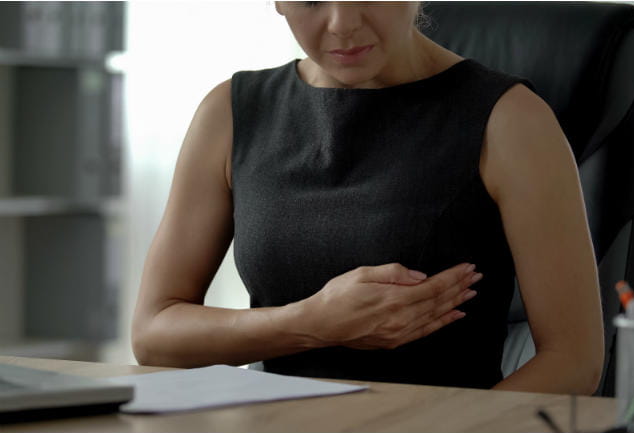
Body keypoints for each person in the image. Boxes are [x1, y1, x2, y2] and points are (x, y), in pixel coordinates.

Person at [131, 1, 604, 395]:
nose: (343, 23)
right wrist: (312, 323)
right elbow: (154, 335)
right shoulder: (229, 114)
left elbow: (574, 362)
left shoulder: (511, 121)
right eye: (312, 0)